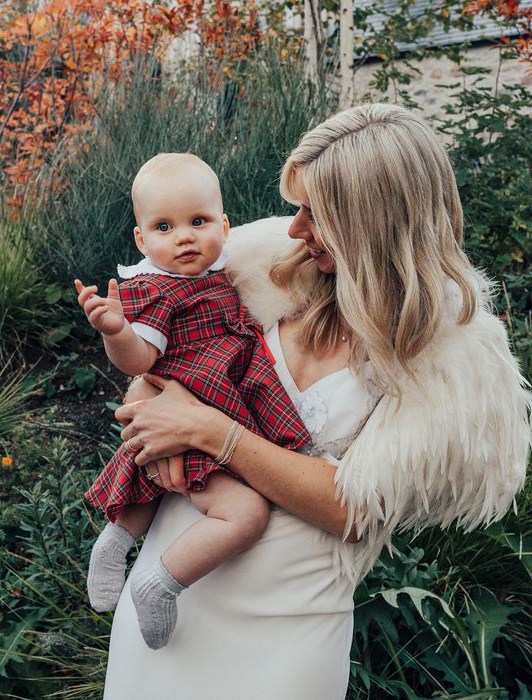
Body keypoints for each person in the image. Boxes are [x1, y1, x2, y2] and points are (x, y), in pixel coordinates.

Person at [102, 103, 531, 699]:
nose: (295, 228)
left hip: (285, 634)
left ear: (372, 221)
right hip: (166, 595)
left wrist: (212, 433)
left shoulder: (446, 354)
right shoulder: (264, 263)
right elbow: (160, 347)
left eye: (315, 213)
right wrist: (153, 412)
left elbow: (355, 510)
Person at [74, 153, 310, 650]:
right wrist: (115, 331)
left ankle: (115, 544)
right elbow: (139, 361)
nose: (183, 236)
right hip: (194, 414)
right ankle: (157, 582)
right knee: (245, 514)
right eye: (164, 226)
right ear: (141, 240)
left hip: (217, 411)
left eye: (198, 221)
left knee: (155, 484)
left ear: (224, 226)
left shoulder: (229, 274)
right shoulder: (157, 290)